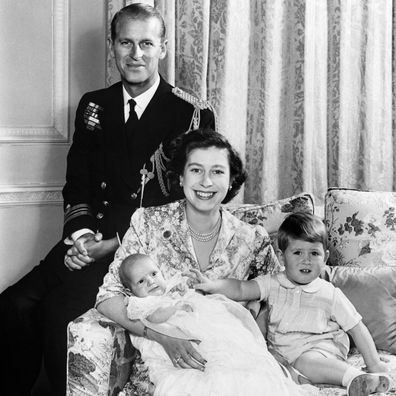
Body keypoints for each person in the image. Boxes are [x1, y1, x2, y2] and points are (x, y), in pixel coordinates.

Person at [0, 4, 214, 396]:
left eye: (146, 43)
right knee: (14, 305)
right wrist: (81, 236)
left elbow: (186, 205)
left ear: (162, 48)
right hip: (88, 239)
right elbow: (78, 181)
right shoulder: (94, 105)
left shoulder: (191, 113)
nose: (136, 54)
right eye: (126, 43)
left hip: (138, 253)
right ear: (113, 47)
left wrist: (110, 245)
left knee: (58, 312)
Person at [94, 127, 291, 395]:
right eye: (196, 170)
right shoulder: (148, 223)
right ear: (181, 176)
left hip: (233, 368)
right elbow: (108, 297)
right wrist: (162, 336)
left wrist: (252, 342)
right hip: (164, 372)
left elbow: (278, 295)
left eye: (218, 171)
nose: (206, 182)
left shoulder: (251, 238)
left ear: (232, 179)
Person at [193, 212, 392, 396]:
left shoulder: (329, 294)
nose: (306, 261)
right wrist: (213, 285)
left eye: (314, 254)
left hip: (321, 348)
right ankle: (297, 377)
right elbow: (241, 289)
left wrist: (374, 364)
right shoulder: (271, 283)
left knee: (307, 361)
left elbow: (357, 328)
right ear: (281, 257)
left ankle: (356, 378)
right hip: (283, 352)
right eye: (297, 253)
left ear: (326, 258)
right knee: (258, 366)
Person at [118, 253, 316, 396]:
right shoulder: (141, 304)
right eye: (141, 281)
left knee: (230, 346)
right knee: (201, 377)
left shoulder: (171, 291)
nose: (151, 282)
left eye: (154, 274)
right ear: (131, 291)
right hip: (174, 345)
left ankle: (269, 371)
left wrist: (192, 297)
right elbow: (154, 318)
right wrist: (176, 307)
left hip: (200, 331)